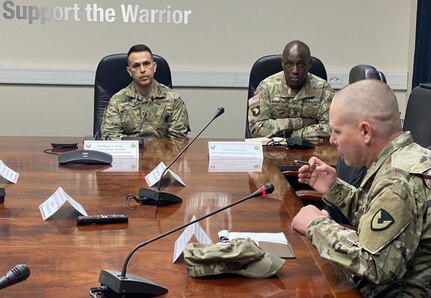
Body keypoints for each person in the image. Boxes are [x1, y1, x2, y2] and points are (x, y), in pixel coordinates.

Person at [291, 80, 431, 297]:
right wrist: (334, 189)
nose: (332, 140)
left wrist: (315, 225)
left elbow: (376, 264)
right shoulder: (410, 158)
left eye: (337, 131)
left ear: (365, 131)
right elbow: (387, 223)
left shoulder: (397, 183)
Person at [248, 40, 334, 139]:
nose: (295, 70)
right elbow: (255, 128)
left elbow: (331, 129)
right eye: (289, 64)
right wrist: (299, 122)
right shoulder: (265, 88)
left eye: (301, 64)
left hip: (311, 150)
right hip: (273, 149)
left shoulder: (324, 89)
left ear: (310, 64)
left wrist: (292, 135)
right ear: (282, 64)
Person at [100, 44, 190, 139]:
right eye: (136, 66)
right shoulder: (117, 101)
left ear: (154, 67)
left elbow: (179, 141)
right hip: (129, 152)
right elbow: (110, 137)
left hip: (164, 153)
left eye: (146, 64)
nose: (142, 70)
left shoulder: (173, 100)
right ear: (129, 71)